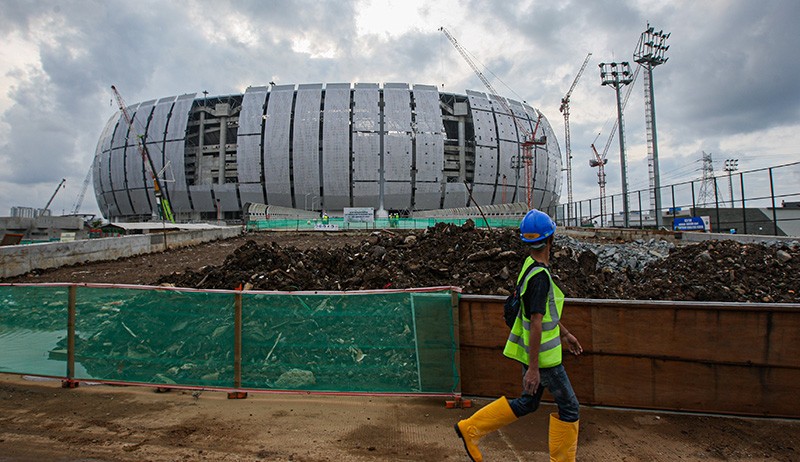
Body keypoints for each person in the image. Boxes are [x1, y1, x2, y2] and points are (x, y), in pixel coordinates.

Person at [455, 209, 583, 462]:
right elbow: (536, 322)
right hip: (544, 360)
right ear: (550, 240)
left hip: (534, 353)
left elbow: (544, 315)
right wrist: (534, 369)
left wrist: (566, 333)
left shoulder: (529, 267)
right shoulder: (540, 278)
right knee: (570, 408)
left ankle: (470, 428)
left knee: (528, 402)